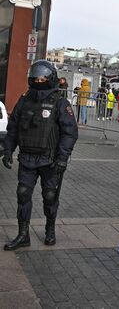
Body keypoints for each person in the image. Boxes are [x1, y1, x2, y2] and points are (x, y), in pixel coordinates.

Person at [2, 60, 78, 250]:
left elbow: (70, 133)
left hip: (50, 160)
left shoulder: (60, 103)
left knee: (50, 196)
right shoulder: (24, 100)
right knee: (23, 194)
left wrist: (62, 158)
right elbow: (13, 128)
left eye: (43, 76)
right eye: (36, 76)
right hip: (27, 158)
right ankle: (23, 235)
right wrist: (9, 150)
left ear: (51, 78)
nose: (39, 79)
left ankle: (50, 229)